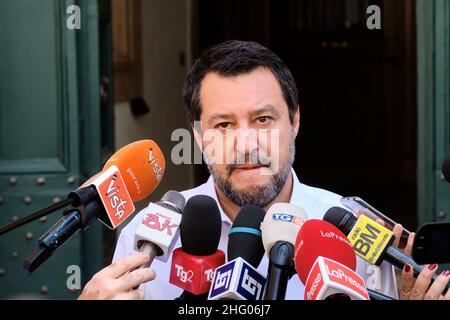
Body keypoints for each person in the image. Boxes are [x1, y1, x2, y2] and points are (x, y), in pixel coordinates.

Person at [79, 40, 450, 300]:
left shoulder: (355, 231)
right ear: (198, 135)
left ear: (295, 122)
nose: (246, 145)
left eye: (263, 119)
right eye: (223, 125)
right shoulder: (147, 238)